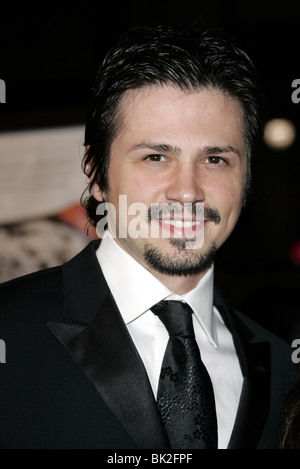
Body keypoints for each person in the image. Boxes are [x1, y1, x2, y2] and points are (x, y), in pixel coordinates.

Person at [0, 23, 297, 450]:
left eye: (215, 159)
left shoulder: (284, 371)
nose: (188, 191)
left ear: (246, 176)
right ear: (97, 172)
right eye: (156, 157)